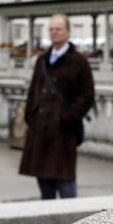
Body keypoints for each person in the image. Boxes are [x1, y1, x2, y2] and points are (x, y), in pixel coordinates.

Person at [19, 14, 95, 199]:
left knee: (65, 180)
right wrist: (30, 115)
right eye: (51, 29)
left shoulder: (79, 61)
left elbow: (87, 96)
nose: (54, 32)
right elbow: (32, 90)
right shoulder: (42, 59)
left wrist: (66, 118)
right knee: (43, 181)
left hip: (63, 131)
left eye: (58, 29)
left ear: (67, 32)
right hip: (39, 128)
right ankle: (49, 223)